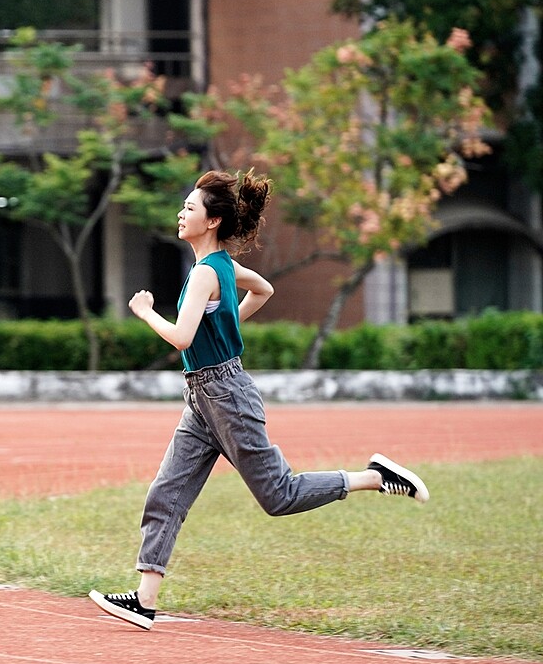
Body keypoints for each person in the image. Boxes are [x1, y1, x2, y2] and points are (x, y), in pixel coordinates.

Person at [88, 169, 429, 631]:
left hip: (226, 396)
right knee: (167, 492)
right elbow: (263, 290)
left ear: (211, 221)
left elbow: (182, 337)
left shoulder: (205, 273)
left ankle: (375, 477)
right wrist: (225, 327)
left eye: (189, 208)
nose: (181, 213)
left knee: (278, 495)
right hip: (203, 398)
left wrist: (146, 312)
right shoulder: (223, 267)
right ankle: (144, 601)